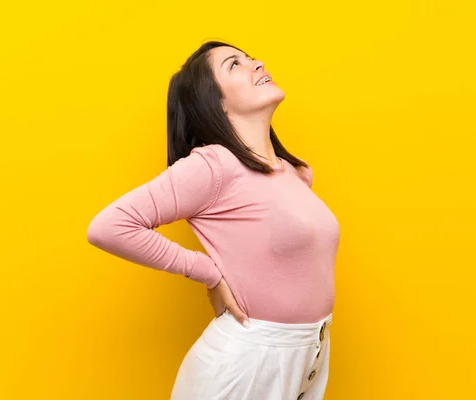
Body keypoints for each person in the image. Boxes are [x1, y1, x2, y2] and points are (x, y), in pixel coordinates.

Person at [86, 40, 340, 400]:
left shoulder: (295, 173)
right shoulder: (213, 165)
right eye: (234, 65)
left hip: (309, 353)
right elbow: (109, 226)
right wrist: (206, 270)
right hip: (247, 360)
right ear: (214, 103)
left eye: (250, 57)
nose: (256, 63)